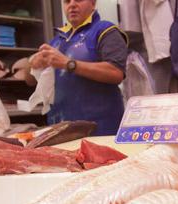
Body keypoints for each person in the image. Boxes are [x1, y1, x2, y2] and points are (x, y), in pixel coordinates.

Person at [28, 0, 129, 136]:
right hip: (60, 129)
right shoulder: (57, 40)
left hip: (100, 129)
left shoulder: (106, 30)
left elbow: (116, 73)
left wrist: (69, 64)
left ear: (93, 3)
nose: (72, 5)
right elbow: (30, 81)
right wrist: (33, 65)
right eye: (67, 1)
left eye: (79, 0)